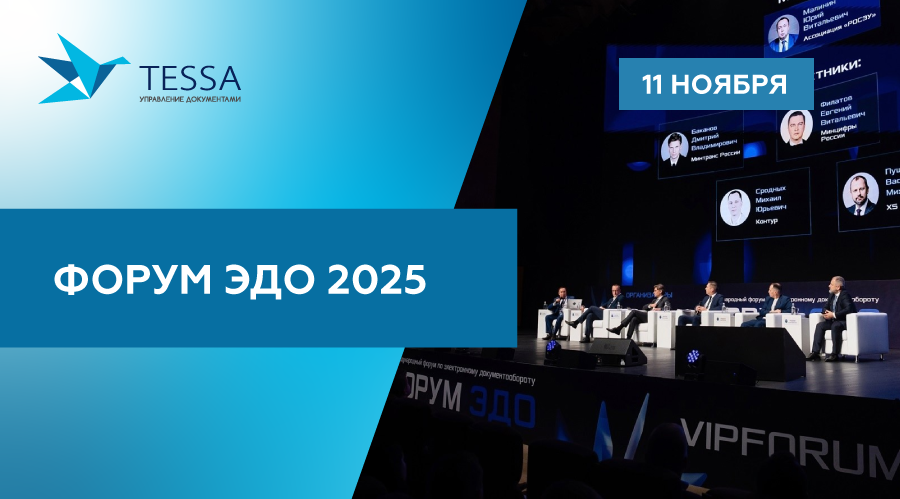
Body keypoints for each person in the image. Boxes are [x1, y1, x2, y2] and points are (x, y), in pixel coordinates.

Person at [808, 276, 856, 362]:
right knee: (820, 325)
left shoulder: (845, 295)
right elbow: (825, 307)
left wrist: (833, 315)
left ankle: (835, 354)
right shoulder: (832, 295)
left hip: (844, 321)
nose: (829, 286)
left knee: (835, 326)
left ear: (838, 287)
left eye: (831, 284)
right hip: (834, 321)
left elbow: (849, 309)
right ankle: (815, 352)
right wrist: (826, 313)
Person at [607, 284, 671, 340]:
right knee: (634, 319)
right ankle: (628, 338)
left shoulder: (665, 299)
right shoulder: (654, 300)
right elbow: (644, 307)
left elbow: (668, 308)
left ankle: (619, 328)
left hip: (653, 318)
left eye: (655, 290)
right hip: (648, 315)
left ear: (660, 291)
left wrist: (659, 309)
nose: (653, 292)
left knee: (634, 312)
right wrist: (650, 305)